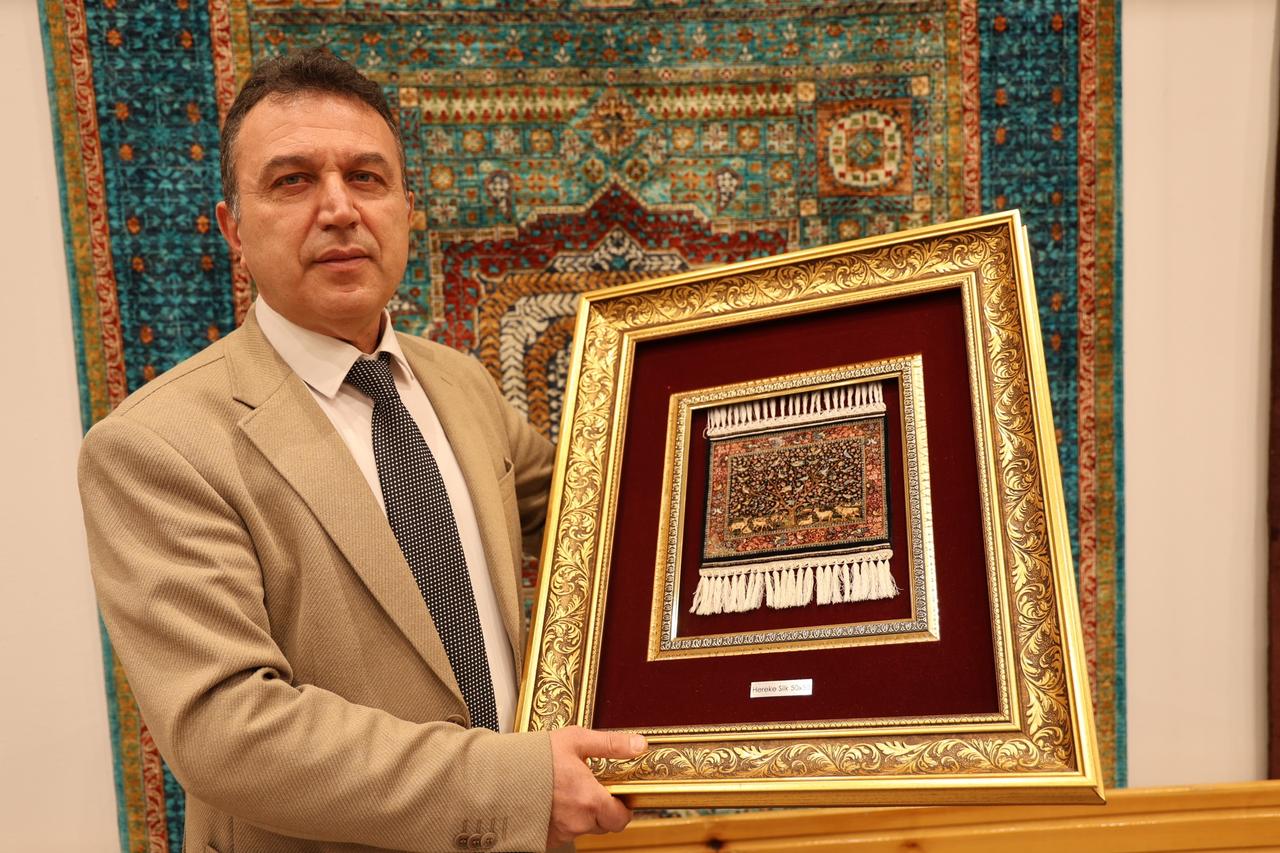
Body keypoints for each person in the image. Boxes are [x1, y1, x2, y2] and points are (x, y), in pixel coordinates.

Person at [78, 47, 642, 853]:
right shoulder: (155, 446)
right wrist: (515, 783)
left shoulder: (460, 382)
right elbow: (230, 731)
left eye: (366, 178)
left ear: (407, 211)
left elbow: (611, 512)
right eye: (293, 181)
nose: (339, 208)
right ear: (233, 228)